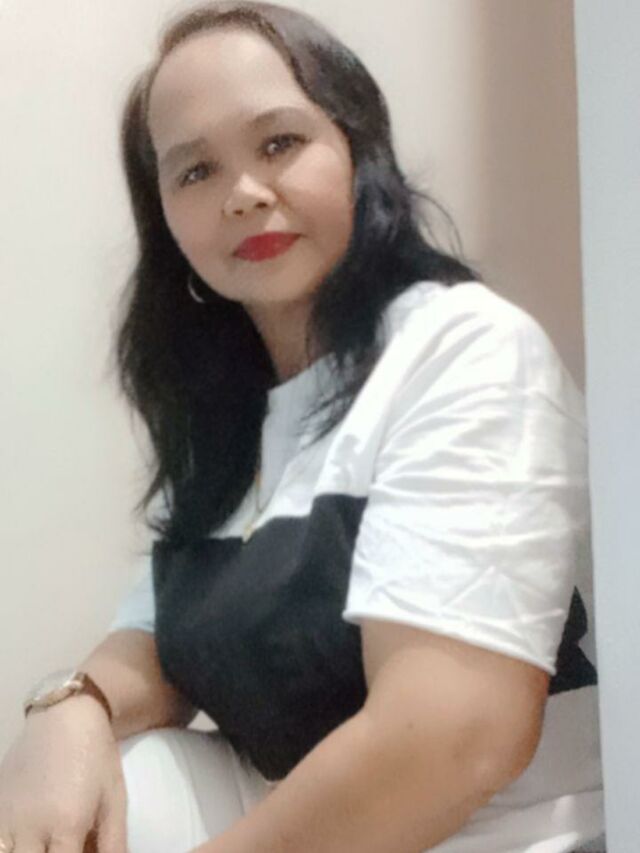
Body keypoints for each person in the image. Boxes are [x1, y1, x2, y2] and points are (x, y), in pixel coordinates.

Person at [0, 2, 605, 851]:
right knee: (86, 793)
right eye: (195, 170)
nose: (243, 194)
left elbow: (454, 737)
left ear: (359, 149)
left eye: (279, 142)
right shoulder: (229, 415)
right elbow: (156, 638)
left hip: (505, 833)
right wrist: (71, 707)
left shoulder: (464, 349)